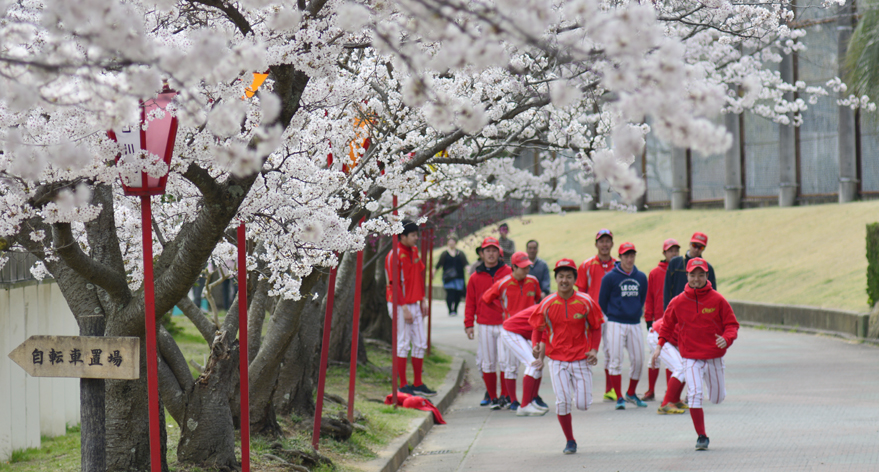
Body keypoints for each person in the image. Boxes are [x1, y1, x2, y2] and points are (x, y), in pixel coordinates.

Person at [653, 257, 740, 451]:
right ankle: (702, 436)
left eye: (701, 275)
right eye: (692, 275)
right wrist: (659, 346)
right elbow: (666, 327)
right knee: (695, 394)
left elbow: (732, 325)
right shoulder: (678, 302)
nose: (696, 279)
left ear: (706, 276)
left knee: (717, 398)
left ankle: (714, 391)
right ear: (687, 276)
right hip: (690, 356)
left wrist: (726, 339)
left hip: (713, 356)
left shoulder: (718, 299)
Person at [529, 259, 603, 455]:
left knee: (582, 404)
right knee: (562, 402)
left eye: (568, 276)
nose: (564, 280)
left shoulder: (586, 301)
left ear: (574, 279)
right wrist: (536, 347)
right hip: (558, 360)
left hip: (581, 359)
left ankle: (577, 391)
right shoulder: (547, 303)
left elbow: (596, 326)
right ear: (556, 279)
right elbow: (538, 327)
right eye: (560, 276)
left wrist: (594, 350)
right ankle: (570, 440)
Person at [482, 251, 543, 410]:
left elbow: (537, 299)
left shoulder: (533, 281)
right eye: (522, 268)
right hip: (510, 329)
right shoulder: (503, 283)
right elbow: (486, 299)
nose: (526, 271)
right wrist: (501, 310)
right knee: (510, 366)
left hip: (530, 329)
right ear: (513, 267)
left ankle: (533, 398)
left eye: (528, 267)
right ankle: (513, 400)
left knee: (536, 362)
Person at [385, 220, 436, 397]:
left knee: (420, 342)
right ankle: (403, 384)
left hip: (415, 302)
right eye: (413, 235)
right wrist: (404, 307)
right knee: (403, 342)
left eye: (417, 234)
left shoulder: (414, 251)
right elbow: (393, 284)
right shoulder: (394, 255)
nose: (417, 238)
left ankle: (417, 383)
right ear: (402, 236)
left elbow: (418, 276)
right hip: (400, 304)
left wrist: (422, 300)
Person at [598, 242, 648, 410]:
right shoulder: (610, 277)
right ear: (620, 257)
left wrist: (633, 312)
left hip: (634, 323)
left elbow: (642, 299)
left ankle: (631, 393)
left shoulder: (641, 277)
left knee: (639, 360)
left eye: (632, 255)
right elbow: (602, 302)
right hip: (615, 323)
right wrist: (614, 313)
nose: (629, 259)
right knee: (615, 360)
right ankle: (619, 396)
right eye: (626, 255)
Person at [465, 237, 513, 409]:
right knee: (488, 361)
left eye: (494, 250)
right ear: (481, 254)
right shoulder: (475, 277)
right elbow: (470, 302)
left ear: (499, 253)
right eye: (487, 251)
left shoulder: (509, 273)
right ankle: (493, 397)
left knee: (506, 361)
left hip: (505, 323)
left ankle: (506, 395)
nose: (491, 254)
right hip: (485, 323)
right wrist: (468, 323)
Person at [576, 228, 617, 400]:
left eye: (608, 241)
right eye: (602, 241)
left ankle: (610, 390)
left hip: (612, 314)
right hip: (591, 314)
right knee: (586, 351)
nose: (605, 244)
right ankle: (583, 390)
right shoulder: (586, 265)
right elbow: (581, 291)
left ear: (612, 244)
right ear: (596, 244)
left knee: (610, 351)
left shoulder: (618, 265)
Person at [642, 238, 680, 401]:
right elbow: (649, 296)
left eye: (676, 250)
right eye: (670, 250)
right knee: (654, 357)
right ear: (664, 253)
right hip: (658, 320)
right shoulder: (655, 273)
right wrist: (648, 318)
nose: (674, 253)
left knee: (671, 357)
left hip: (675, 320)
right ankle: (651, 390)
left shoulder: (680, 271)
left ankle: (669, 391)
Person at [501, 306, 550, 417]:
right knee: (533, 364)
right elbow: (543, 337)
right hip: (510, 331)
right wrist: (539, 358)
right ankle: (524, 406)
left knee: (537, 364)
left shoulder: (554, 305)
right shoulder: (552, 310)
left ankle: (531, 401)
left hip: (517, 332)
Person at [663, 232, 717, 310]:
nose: (696, 249)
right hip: (677, 310)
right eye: (694, 245)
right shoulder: (675, 263)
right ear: (690, 244)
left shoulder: (708, 268)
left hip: (699, 312)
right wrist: (667, 312)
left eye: (700, 247)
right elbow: (667, 291)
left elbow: (712, 294)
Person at [647, 314, 687, 415]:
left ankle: (675, 400)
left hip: (669, 338)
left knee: (687, 367)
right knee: (680, 368)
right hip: (658, 335)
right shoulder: (698, 312)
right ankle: (665, 404)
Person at [436, 237, 468, 317]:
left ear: (455, 243)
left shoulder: (460, 253)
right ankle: (450, 310)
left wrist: (469, 270)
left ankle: (455, 309)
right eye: (450, 242)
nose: (451, 243)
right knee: (450, 293)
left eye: (453, 242)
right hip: (448, 278)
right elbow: (439, 264)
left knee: (457, 294)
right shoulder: (445, 253)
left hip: (459, 277)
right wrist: (434, 271)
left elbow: (465, 264)